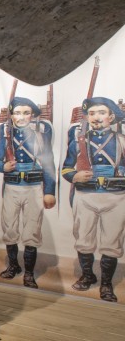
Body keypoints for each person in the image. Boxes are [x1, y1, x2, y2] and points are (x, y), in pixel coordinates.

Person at [61, 96, 125, 302]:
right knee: (84, 240)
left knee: (111, 241)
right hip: (85, 196)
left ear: (111, 117)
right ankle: (88, 275)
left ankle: (106, 284)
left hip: (115, 196)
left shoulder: (122, 141)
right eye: (92, 113)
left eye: (101, 113)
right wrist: (74, 176)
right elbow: (66, 167)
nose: (96, 118)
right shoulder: (78, 142)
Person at [0, 96, 56, 289]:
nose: (21, 117)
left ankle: (29, 273)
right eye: (17, 113)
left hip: (34, 187)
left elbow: (49, 165)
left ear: (33, 116)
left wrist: (49, 191)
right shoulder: (5, 139)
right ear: (11, 116)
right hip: (12, 187)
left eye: (26, 113)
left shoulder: (41, 137)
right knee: (10, 228)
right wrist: (3, 166)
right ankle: (13, 266)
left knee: (32, 230)